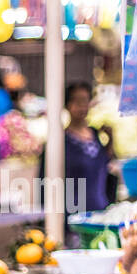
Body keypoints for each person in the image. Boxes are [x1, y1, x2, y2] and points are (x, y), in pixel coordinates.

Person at [50, 81, 115, 216]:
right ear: (67, 105)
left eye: (85, 101)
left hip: (100, 211)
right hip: (74, 216)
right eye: (77, 101)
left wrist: (110, 141)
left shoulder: (95, 135)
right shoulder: (62, 141)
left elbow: (104, 165)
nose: (82, 107)